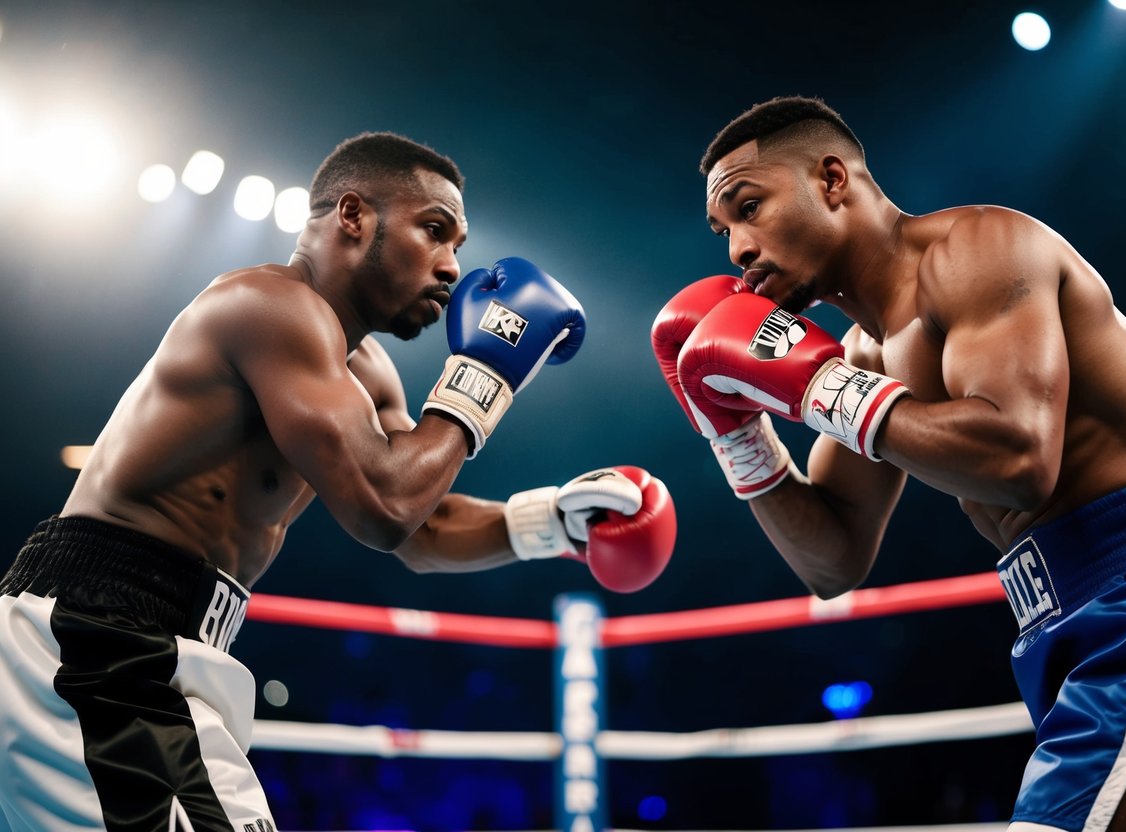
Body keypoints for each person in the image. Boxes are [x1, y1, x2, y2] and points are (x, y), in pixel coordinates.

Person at [0, 132, 676, 831]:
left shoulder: (365, 369)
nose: (452, 267)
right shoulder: (267, 306)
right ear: (352, 215)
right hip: (95, 640)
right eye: (434, 231)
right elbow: (385, 507)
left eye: (459, 245)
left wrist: (554, 521)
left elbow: (419, 524)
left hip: (152, 650)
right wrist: (487, 374)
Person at [652, 96, 1126, 832]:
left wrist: (820, 390)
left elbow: (1019, 458)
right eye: (723, 230)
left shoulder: (978, 250)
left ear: (830, 180)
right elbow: (833, 559)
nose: (735, 251)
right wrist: (735, 432)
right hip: (1061, 618)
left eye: (748, 207)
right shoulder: (859, 355)